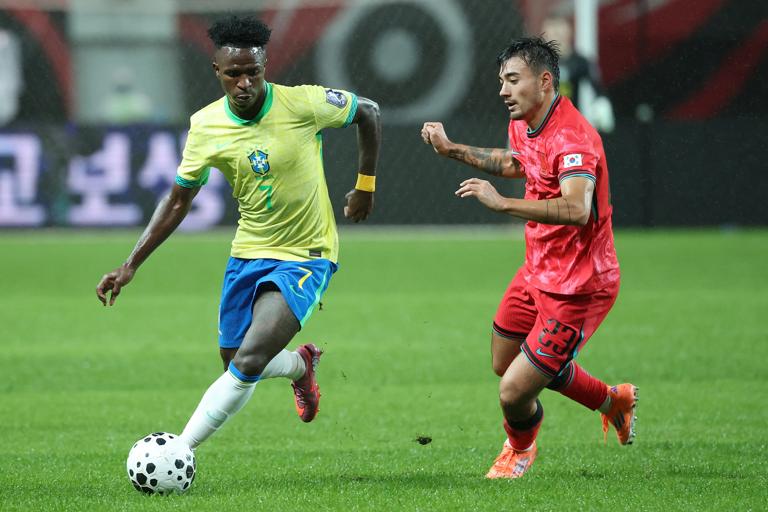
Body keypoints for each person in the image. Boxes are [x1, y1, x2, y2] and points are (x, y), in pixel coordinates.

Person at [96, 15, 381, 451]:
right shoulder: (206, 125)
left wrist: (365, 186)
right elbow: (178, 199)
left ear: (265, 67)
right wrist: (130, 264)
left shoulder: (303, 103)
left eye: (253, 72)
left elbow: (369, 112)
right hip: (248, 251)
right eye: (234, 74)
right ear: (217, 71)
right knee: (235, 360)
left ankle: (180, 451)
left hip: (306, 254)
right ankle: (300, 366)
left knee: (247, 362)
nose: (244, 83)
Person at [421, 37, 635, 479]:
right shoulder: (525, 120)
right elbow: (519, 163)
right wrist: (452, 149)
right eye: (502, 80)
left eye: (513, 80)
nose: (503, 90)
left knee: (513, 391)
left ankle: (519, 450)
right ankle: (612, 401)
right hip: (538, 269)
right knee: (505, 361)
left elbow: (577, 208)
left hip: (579, 286)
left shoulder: (574, 137)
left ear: (544, 81)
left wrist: (503, 204)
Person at [541, 15, 614, 133]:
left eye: (560, 29)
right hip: (542, 128)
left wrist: (602, 106)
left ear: (569, 31)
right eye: (553, 29)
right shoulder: (536, 64)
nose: (556, 34)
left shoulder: (580, 62)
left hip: (570, 128)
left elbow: (597, 88)